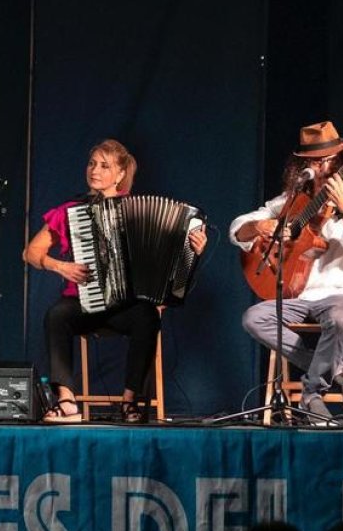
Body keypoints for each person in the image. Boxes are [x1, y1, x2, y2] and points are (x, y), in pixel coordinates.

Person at [24, 139, 207, 423]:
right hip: (83, 303)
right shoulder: (71, 210)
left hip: (126, 308)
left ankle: (130, 402)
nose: (95, 170)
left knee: (148, 316)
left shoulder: (138, 209)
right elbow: (31, 252)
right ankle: (67, 401)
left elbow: (174, 262)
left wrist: (194, 249)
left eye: (104, 166)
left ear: (120, 175)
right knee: (57, 314)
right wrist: (60, 266)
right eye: (92, 163)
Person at [231, 121, 343, 422]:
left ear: (341, 158)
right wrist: (259, 226)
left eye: (325, 159)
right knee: (254, 318)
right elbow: (237, 230)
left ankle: (312, 395)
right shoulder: (293, 201)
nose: (320, 166)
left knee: (338, 318)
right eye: (311, 160)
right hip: (302, 295)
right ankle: (337, 369)